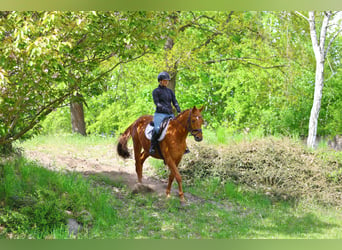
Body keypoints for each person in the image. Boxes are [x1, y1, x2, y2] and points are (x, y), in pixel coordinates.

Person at [149, 71, 184, 155]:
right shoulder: (156, 91)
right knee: (157, 129)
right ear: (160, 81)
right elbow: (157, 103)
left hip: (170, 114)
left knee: (178, 128)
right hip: (160, 114)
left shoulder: (170, 91)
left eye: (167, 81)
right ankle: (152, 147)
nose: (167, 82)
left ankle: (183, 147)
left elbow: (174, 101)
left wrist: (178, 110)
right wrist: (165, 109)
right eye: (165, 80)